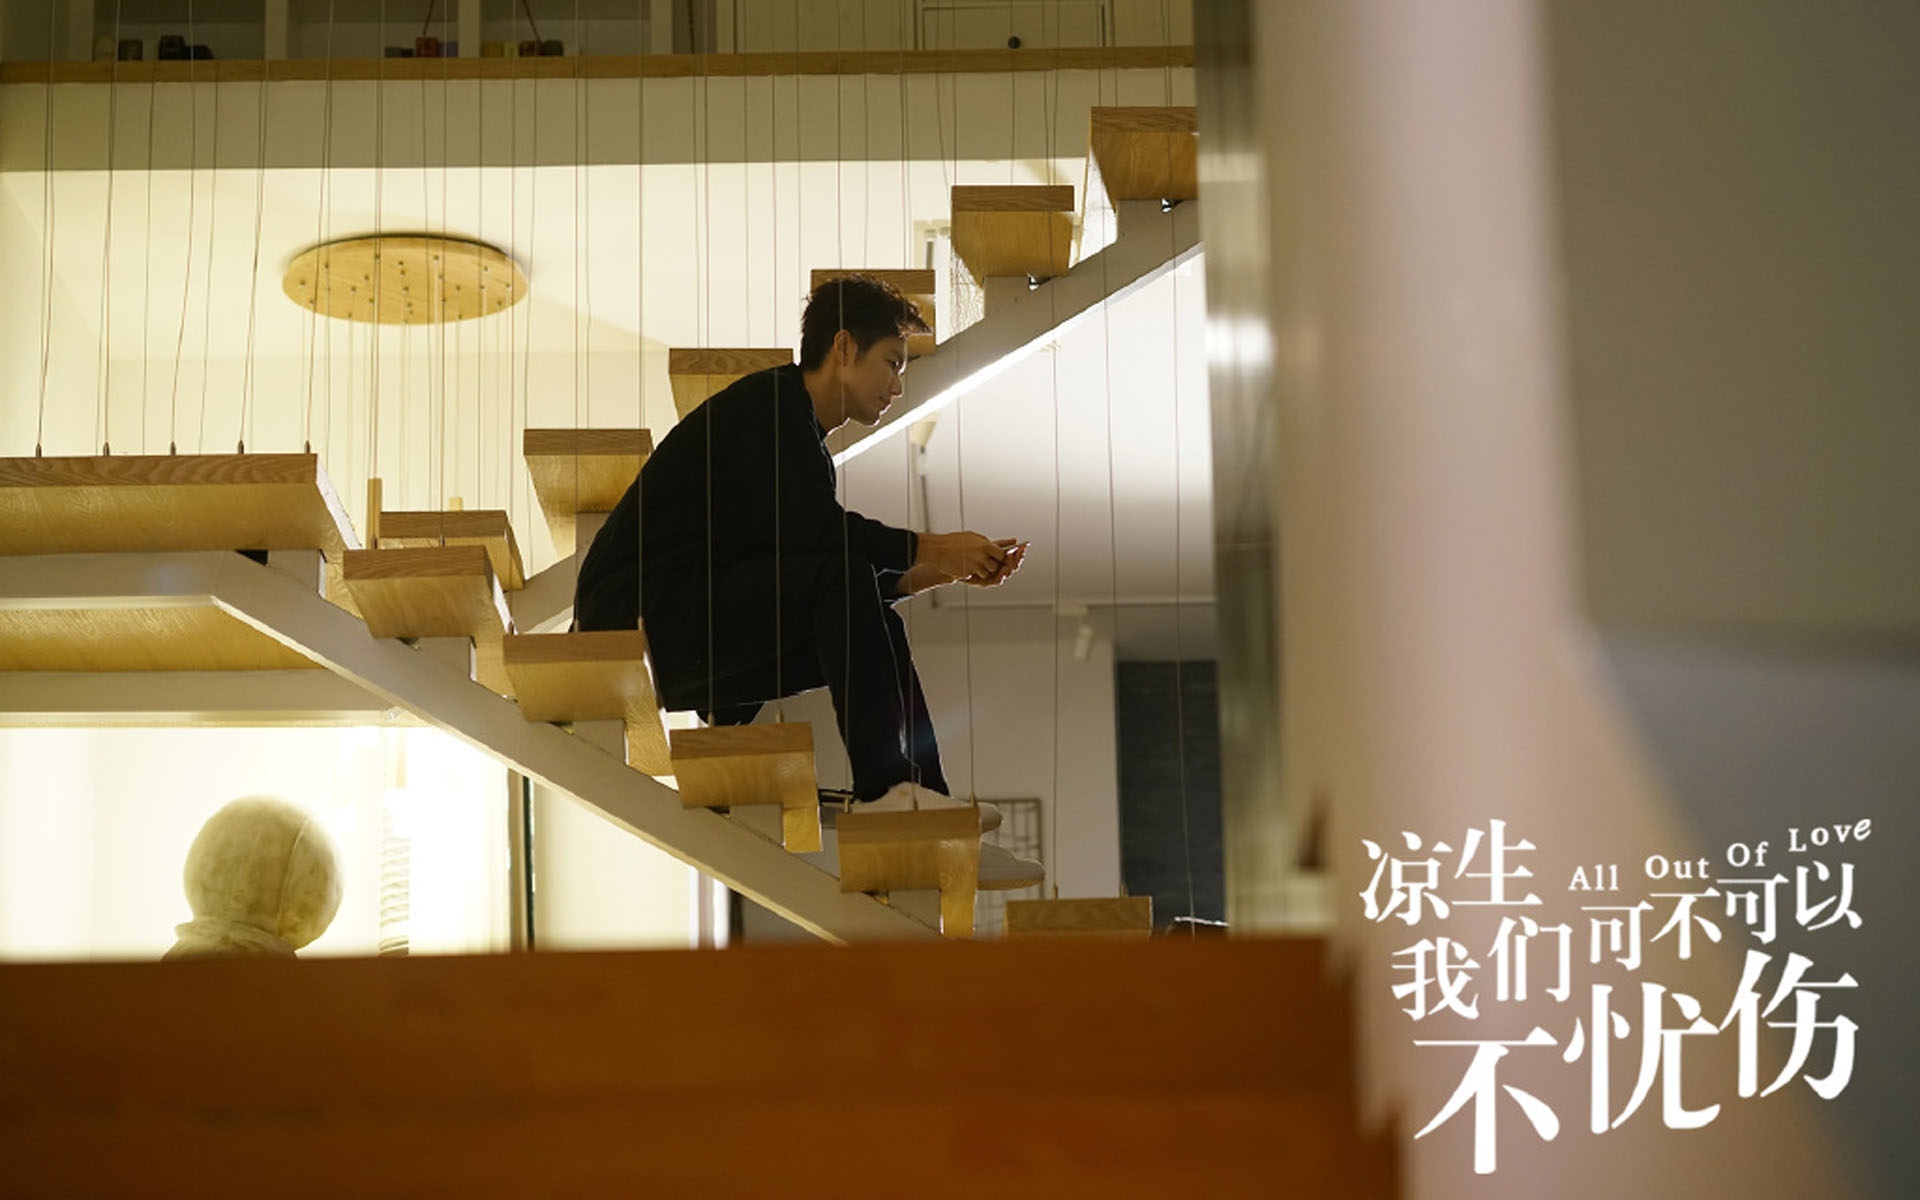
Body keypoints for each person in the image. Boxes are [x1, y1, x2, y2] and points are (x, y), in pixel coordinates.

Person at [575, 274, 1042, 885]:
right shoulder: (769, 408)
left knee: (875, 619)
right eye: (892, 363)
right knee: (843, 582)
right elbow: (818, 539)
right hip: (632, 621)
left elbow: (810, 565)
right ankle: (888, 792)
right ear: (843, 347)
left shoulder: (798, 432)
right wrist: (935, 547)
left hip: (679, 625)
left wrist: (937, 573)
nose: (898, 386)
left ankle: (925, 802)